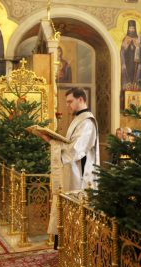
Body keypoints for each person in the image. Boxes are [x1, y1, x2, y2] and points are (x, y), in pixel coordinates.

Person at [43, 88, 100, 248]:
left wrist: (53, 143)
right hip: (71, 172)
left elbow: (75, 150)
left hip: (80, 177)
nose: (67, 105)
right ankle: (66, 247)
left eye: (70, 101)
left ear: (80, 99)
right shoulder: (79, 119)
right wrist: (52, 141)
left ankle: (76, 248)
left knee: (76, 211)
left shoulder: (87, 122)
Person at [120, 20, 141, 91]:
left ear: (135, 29)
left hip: (136, 62)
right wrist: (127, 46)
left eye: (133, 28)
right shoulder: (125, 39)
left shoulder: (138, 39)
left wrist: (138, 46)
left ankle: (135, 86)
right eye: (130, 28)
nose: (131, 30)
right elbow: (122, 51)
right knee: (129, 73)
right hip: (127, 62)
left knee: (135, 73)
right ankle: (128, 86)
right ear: (128, 29)